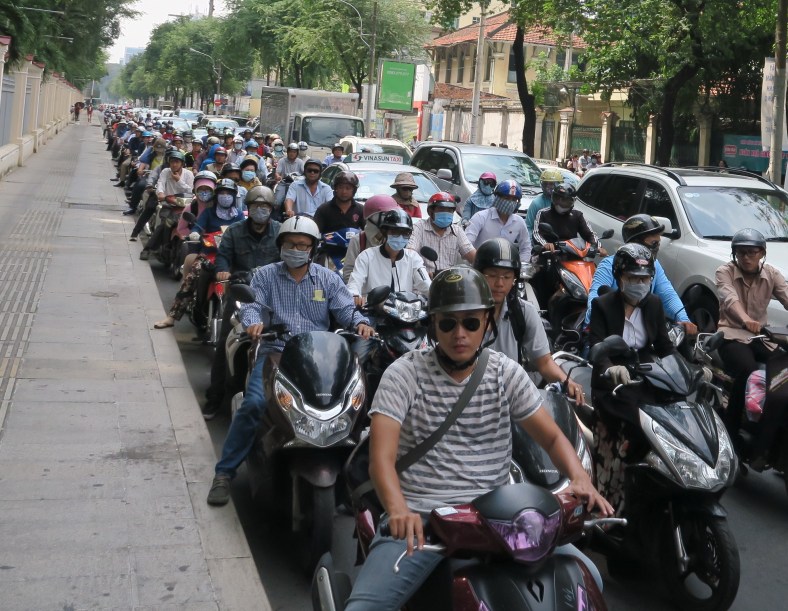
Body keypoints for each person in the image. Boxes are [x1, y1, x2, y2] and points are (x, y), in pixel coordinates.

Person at [343, 266, 612, 609]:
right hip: (424, 519)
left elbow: (552, 439)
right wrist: (398, 511)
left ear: (486, 322)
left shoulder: (505, 372)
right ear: (433, 324)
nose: (460, 334)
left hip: (499, 520)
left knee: (590, 578)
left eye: (470, 323)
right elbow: (381, 460)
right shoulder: (403, 375)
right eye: (448, 323)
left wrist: (580, 478)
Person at [206, 216, 374, 505]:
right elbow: (251, 306)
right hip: (275, 352)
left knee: (356, 406)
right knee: (254, 404)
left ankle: (356, 476)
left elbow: (347, 309)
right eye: (290, 244)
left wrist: (360, 323)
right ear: (280, 246)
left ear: (313, 248)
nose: (296, 249)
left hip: (319, 356)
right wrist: (253, 323)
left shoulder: (328, 279)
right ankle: (224, 473)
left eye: (302, 245)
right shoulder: (265, 276)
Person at [588, 243, 675, 512]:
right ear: (619, 277)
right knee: (635, 425)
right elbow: (597, 349)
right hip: (612, 382)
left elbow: (665, 347)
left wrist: (689, 367)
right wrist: (611, 368)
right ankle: (616, 498)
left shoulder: (654, 304)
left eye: (645, 279)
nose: (639, 284)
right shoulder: (603, 305)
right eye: (633, 278)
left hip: (645, 376)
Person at [202, 185, 282, 419]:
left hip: (272, 298)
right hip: (241, 294)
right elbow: (223, 256)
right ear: (248, 207)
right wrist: (223, 270)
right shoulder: (234, 231)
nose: (260, 210)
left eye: (265, 206)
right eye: (256, 205)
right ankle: (215, 398)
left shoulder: (280, 232)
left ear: (271, 209)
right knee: (225, 342)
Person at [474, 238, 584, 403]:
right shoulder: (462, 312)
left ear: (515, 279)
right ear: (478, 275)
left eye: (507, 276)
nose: (499, 283)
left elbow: (544, 362)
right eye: (492, 275)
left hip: (508, 399)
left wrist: (566, 382)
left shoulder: (524, 312)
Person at [716, 228, 788, 469]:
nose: (746, 257)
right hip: (731, 335)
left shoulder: (772, 274)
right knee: (747, 371)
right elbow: (729, 300)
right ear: (734, 254)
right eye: (741, 253)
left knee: (782, 373)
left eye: (751, 252)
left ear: (762, 254)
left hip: (762, 338)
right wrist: (746, 319)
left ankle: (768, 436)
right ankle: (731, 431)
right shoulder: (724, 272)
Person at [153, 178, 245, 330]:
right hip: (209, 255)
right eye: (222, 193)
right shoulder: (209, 213)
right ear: (216, 196)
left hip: (231, 258)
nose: (225, 196)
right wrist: (195, 233)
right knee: (191, 277)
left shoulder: (239, 215)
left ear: (234, 196)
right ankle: (172, 317)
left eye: (228, 193)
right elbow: (198, 226)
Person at [585, 214, 697, 334]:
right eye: (653, 243)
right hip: (608, 332)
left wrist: (684, 320)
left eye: (645, 278)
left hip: (640, 332)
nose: (657, 248)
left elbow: (668, 294)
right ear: (635, 243)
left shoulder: (655, 265)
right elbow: (594, 302)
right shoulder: (609, 265)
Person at [347, 209, 431, 304]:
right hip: (373, 308)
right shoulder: (366, 256)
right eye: (395, 232)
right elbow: (354, 283)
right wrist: (355, 295)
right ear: (384, 232)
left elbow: (426, 284)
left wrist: (436, 295)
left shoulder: (413, 257)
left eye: (405, 233)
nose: (400, 237)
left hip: (405, 310)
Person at [407, 192, 475, 276]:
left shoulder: (457, 231)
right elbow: (410, 253)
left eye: (449, 210)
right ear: (431, 212)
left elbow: (471, 254)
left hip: (450, 280)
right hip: (424, 280)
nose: (446, 213)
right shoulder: (419, 227)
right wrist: (422, 272)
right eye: (441, 209)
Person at [464, 179, 530, 264]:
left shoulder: (519, 222)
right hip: (480, 265)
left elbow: (526, 247)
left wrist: (521, 265)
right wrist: (479, 262)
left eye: (514, 200)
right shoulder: (480, 217)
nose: (510, 202)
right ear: (497, 198)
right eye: (506, 198)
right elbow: (467, 245)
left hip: (506, 267)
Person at [343, 194, 401, 284]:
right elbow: (349, 272)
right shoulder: (358, 240)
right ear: (371, 216)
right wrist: (358, 290)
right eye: (385, 215)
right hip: (364, 291)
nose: (390, 218)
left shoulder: (397, 239)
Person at [313, 171, 364, 269]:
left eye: (348, 188)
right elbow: (314, 233)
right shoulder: (324, 209)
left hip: (354, 254)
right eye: (340, 187)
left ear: (354, 190)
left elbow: (368, 231)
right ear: (335, 188)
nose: (344, 191)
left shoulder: (360, 209)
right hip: (329, 253)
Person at [525, 168, 563, 239]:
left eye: (551, 184)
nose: (548, 187)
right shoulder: (536, 203)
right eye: (545, 184)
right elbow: (528, 227)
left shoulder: (564, 201)